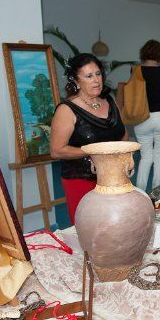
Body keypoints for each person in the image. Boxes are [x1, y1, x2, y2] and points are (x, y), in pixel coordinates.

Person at [50, 53, 128, 224]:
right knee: (90, 230)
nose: (96, 80)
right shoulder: (67, 110)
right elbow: (56, 150)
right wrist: (94, 152)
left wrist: (125, 158)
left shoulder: (110, 101)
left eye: (98, 74)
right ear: (76, 82)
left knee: (116, 228)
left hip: (114, 177)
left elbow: (123, 135)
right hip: (81, 180)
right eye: (89, 76)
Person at [133, 39, 160, 191]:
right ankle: (157, 196)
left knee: (145, 157)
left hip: (141, 118)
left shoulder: (135, 71)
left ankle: (140, 192)